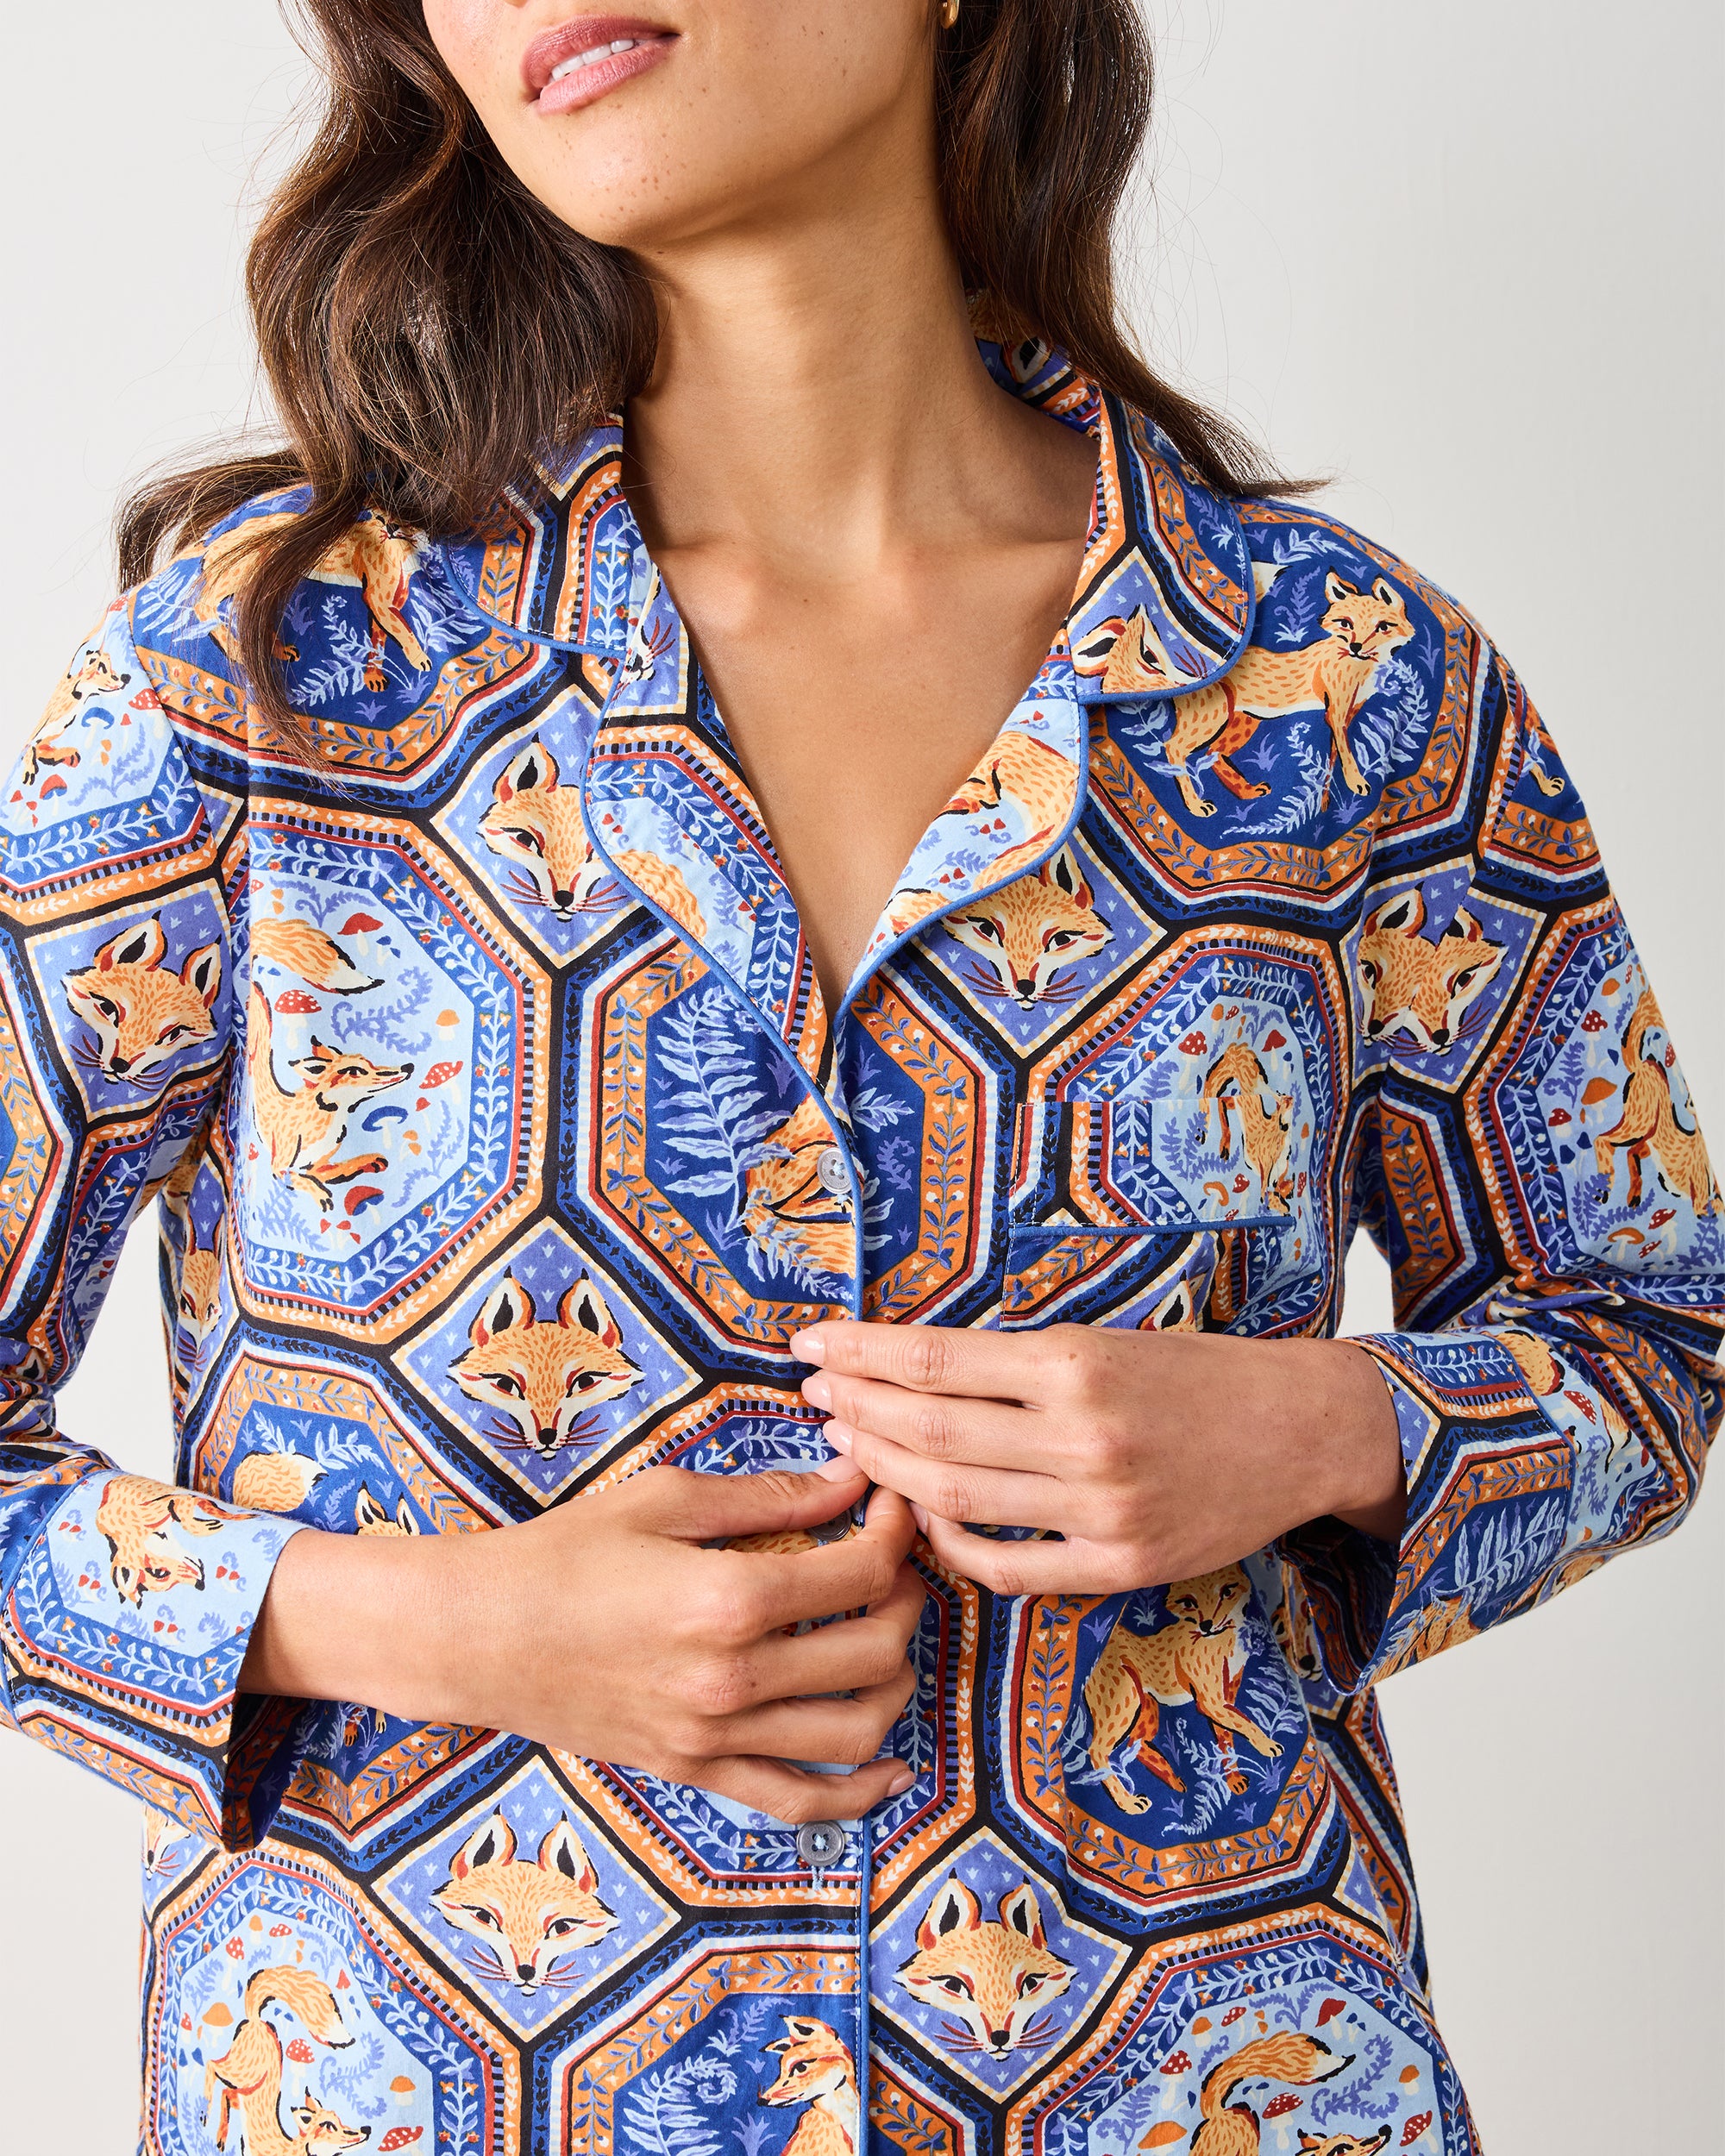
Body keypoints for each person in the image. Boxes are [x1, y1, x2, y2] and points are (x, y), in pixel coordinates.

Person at [1, 1, 1716, 2148]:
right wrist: (436, 1622)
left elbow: (1650, 1329)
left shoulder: (1345, 690)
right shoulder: (251, 689)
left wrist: (1310, 1425)